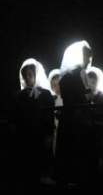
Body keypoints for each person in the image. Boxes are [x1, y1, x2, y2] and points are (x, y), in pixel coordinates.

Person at [53, 40, 98, 189]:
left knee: (82, 164)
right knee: (73, 161)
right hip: (73, 124)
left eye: (89, 58)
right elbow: (71, 98)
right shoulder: (70, 75)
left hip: (81, 123)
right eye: (86, 57)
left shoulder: (81, 74)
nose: (88, 61)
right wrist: (86, 98)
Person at [14, 59, 55, 190]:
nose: (27, 77)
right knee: (26, 169)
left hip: (40, 136)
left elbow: (49, 116)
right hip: (24, 137)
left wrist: (49, 135)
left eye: (30, 74)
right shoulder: (19, 95)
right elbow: (15, 115)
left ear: (36, 74)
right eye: (25, 74)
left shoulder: (46, 94)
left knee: (41, 168)